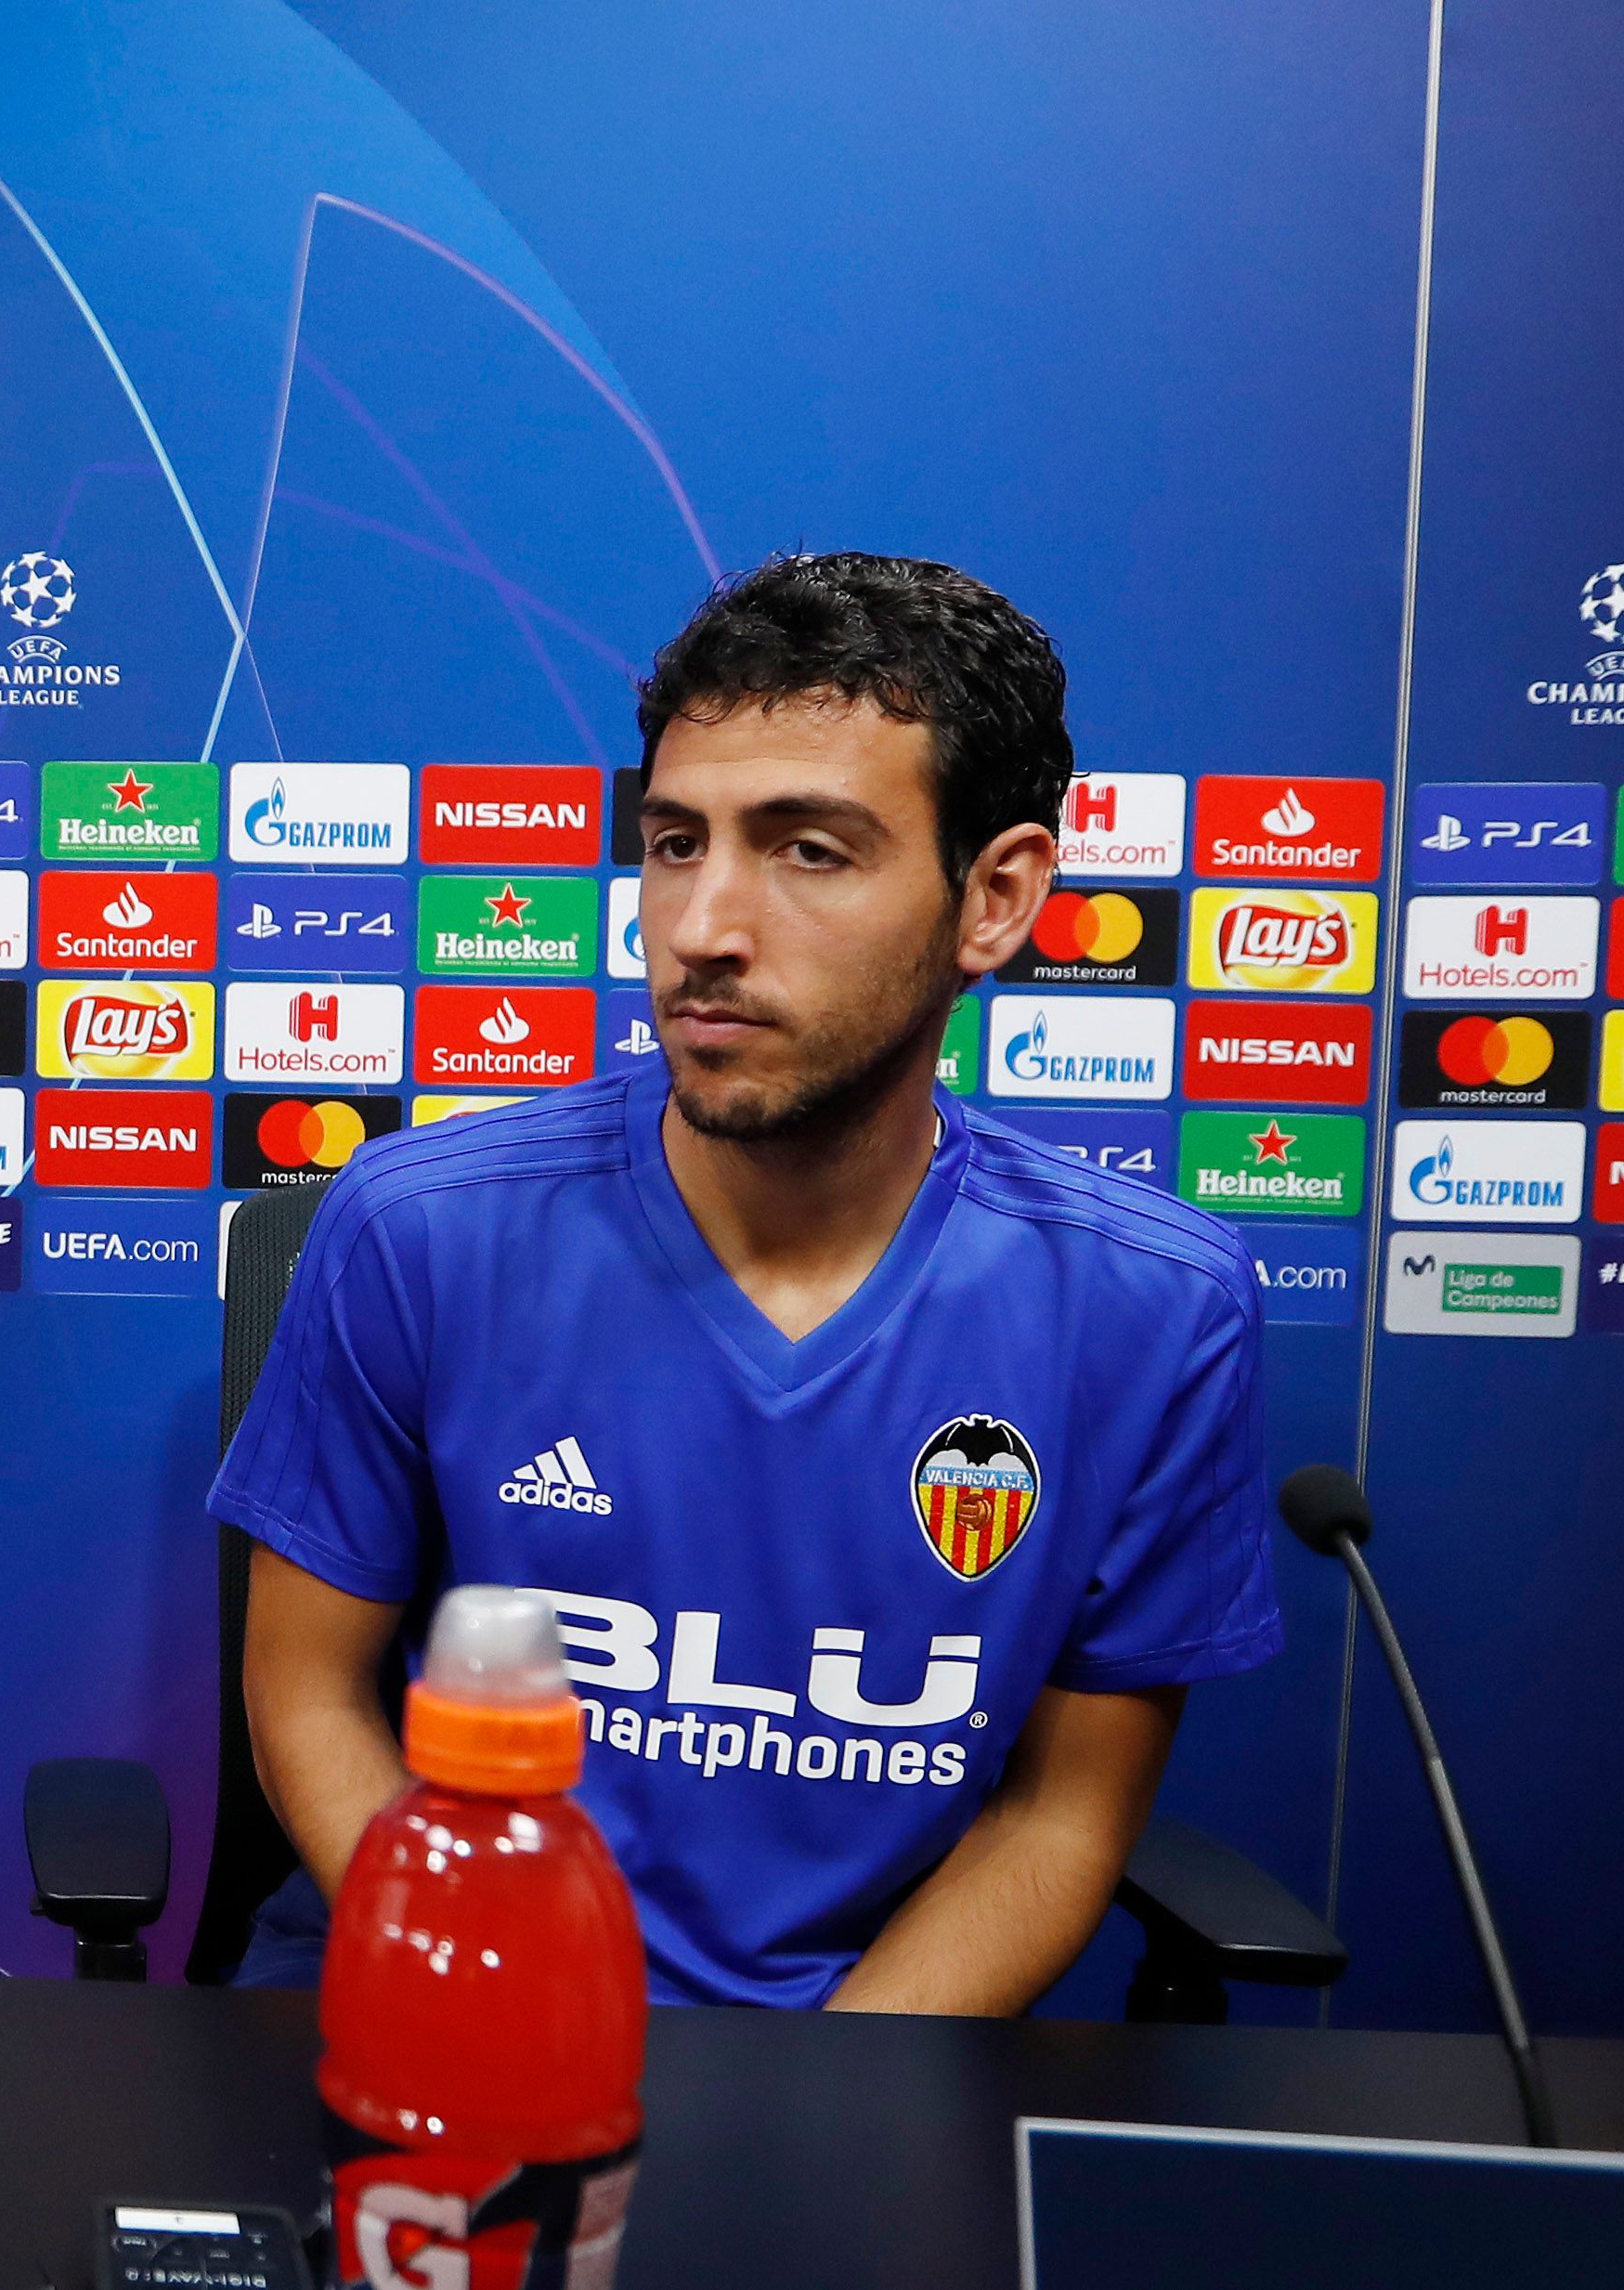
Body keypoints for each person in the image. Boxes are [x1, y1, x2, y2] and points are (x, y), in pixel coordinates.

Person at [216, 555, 1280, 2010]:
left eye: (808, 850)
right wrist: (497, 2003)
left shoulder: (1153, 1309)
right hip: (443, 2002)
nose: (702, 926)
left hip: (856, 2052)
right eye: (672, 842)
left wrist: (813, 2109)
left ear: (995, 896)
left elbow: (1058, 1814)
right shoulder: (419, 1226)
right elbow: (307, 1693)